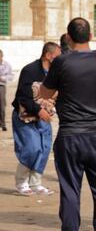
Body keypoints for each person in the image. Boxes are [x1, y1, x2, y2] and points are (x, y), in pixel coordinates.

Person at [39, 18, 96, 231]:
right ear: (91, 36)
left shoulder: (62, 61)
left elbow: (45, 91)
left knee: (71, 188)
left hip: (72, 134)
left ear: (68, 37)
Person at [11, 42, 60, 195]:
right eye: (58, 56)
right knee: (32, 149)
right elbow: (22, 97)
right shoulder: (30, 70)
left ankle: (36, 183)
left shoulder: (56, 73)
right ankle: (21, 182)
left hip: (45, 118)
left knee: (44, 149)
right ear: (48, 55)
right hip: (26, 116)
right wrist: (39, 110)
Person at [0, 49, 13, 131]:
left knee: (2, 105)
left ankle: (3, 124)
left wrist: (2, 78)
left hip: (1, 86)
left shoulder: (7, 65)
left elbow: (11, 76)